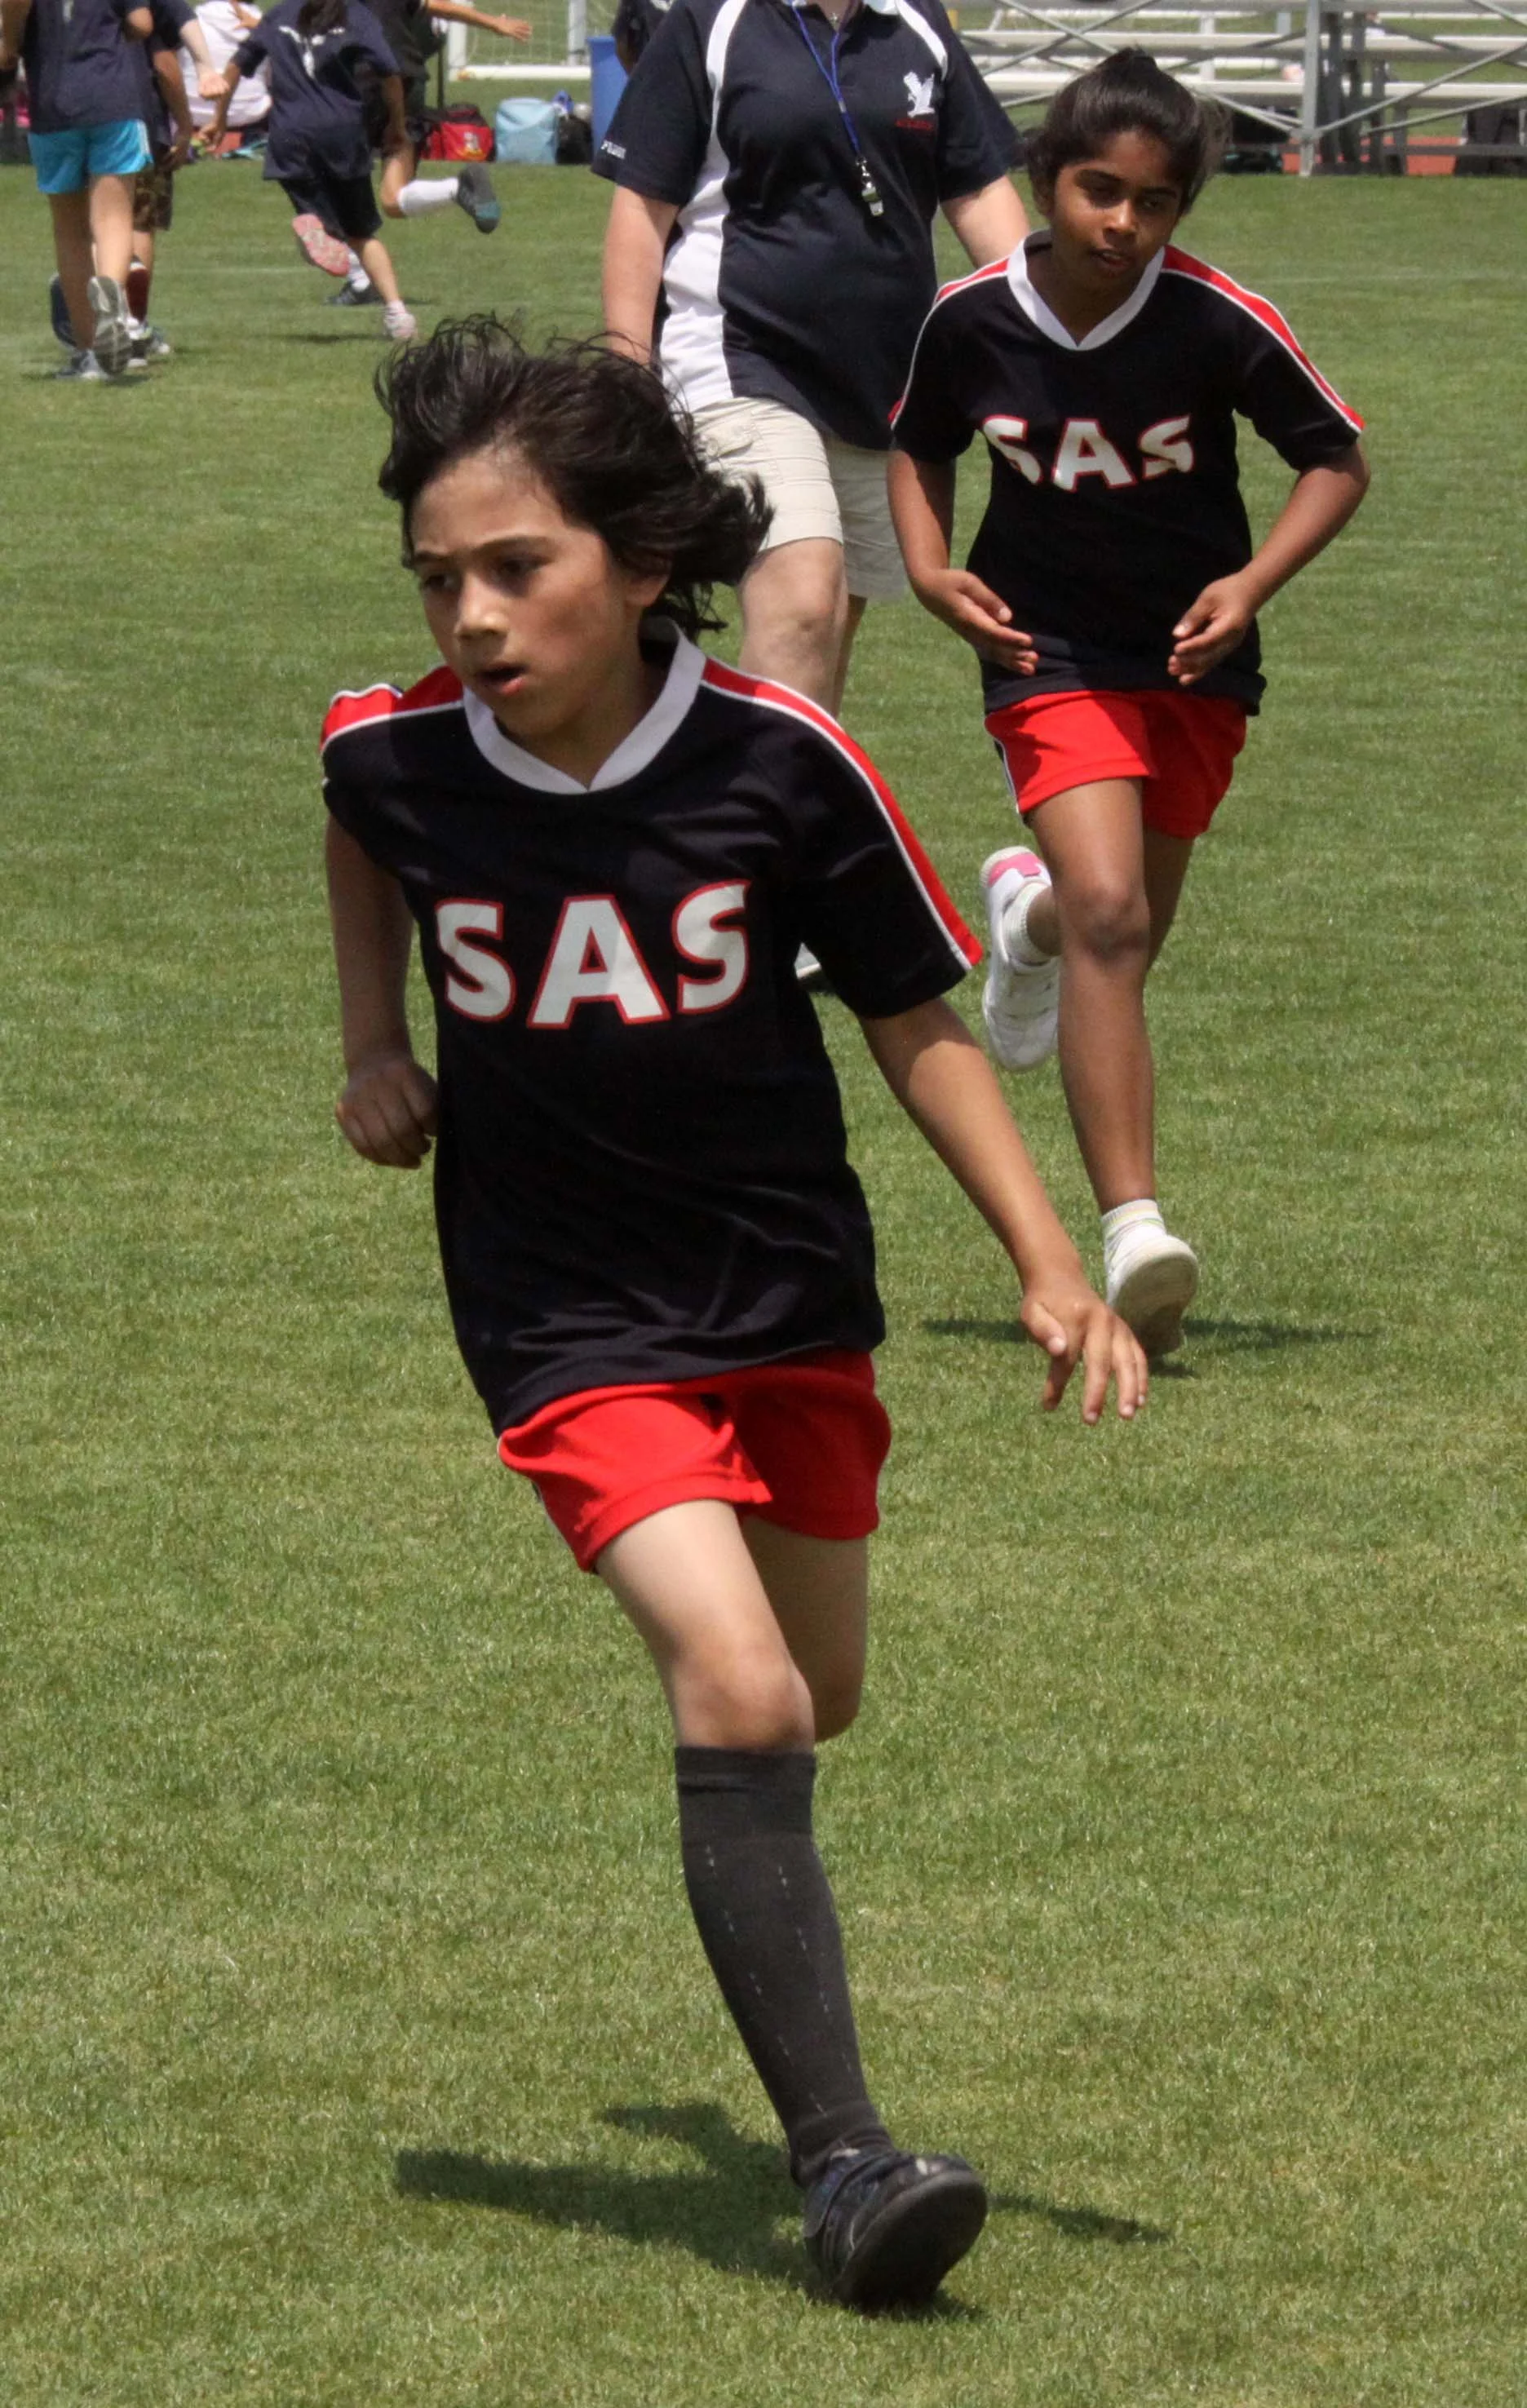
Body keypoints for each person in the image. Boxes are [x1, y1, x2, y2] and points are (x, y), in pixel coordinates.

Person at [321, 319, 1145, 2309]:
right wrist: (369, 1041)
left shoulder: (784, 762)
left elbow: (916, 1027)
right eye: (442, 577)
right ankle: (849, 2164)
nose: (476, 611)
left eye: (518, 565)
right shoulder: (396, 746)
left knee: (812, 1690)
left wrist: (1048, 1254)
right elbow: (360, 824)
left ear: (637, 556)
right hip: (559, 1311)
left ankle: (764, 1903)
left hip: (784, 1294)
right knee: (745, 1688)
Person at [889, 49, 1370, 1354]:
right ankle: (1133, 1228)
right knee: (1114, 913)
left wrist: (1253, 579)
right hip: (1046, 652)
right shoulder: (970, 318)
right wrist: (934, 572)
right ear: (1045, 181)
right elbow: (919, 442)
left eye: (1154, 204)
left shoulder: (1217, 318)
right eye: (1098, 191)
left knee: (1121, 928)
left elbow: (1336, 460)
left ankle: (1020, 915)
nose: (1123, 223)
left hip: (1193, 659)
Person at [596, 0, 1028, 716]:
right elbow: (642, 212)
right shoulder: (713, 21)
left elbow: (979, 192)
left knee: (827, 631)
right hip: (738, 358)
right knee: (801, 596)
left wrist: (1039, 337)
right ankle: (749, 824)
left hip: (882, 387)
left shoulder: (914, 24)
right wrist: (626, 373)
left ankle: (788, 811)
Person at [201, 0, 418, 339]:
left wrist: (219, 118)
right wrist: (398, 124)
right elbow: (390, 74)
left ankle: (316, 228)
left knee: (317, 215)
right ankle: (398, 314)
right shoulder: (357, 16)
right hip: (343, 133)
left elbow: (236, 66)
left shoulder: (279, 15)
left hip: (292, 136)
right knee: (361, 232)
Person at [2, 0, 160, 376]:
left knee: (70, 229)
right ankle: (110, 292)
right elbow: (141, 22)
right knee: (114, 217)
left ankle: (89, 351)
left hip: (53, 102)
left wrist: (10, 44)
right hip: (113, 97)